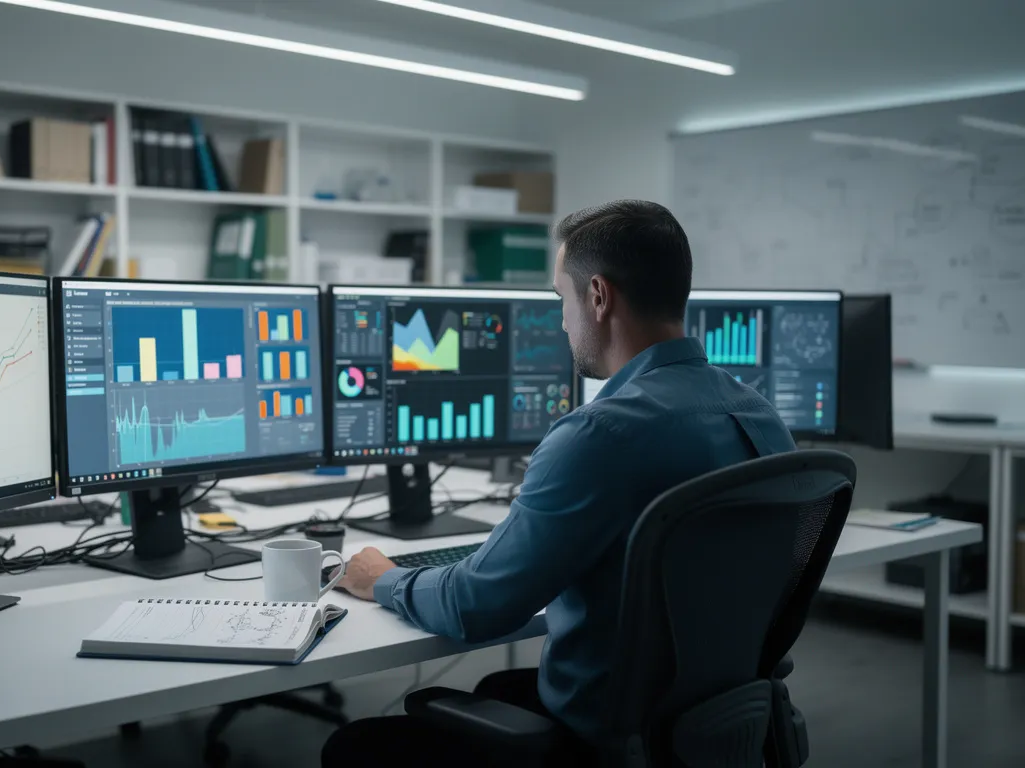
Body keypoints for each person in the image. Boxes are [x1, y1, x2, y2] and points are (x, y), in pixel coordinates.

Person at [321, 200, 797, 768]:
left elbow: (478, 607)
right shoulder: (762, 417)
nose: (561, 320)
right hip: (712, 721)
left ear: (597, 296)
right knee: (501, 690)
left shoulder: (600, 434)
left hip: (610, 738)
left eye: (559, 299)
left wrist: (385, 579)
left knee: (353, 748)